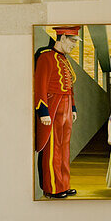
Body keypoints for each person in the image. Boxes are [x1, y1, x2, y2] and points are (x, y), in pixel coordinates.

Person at [34, 26, 81, 199]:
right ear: (61, 39)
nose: (74, 45)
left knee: (64, 148)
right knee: (53, 148)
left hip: (66, 106)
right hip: (53, 107)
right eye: (72, 40)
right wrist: (43, 111)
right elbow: (40, 85)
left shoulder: (64, 59)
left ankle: (64, 184)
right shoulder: (46, 57)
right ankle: (53, 188)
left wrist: (73, 107)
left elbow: (70, 87)